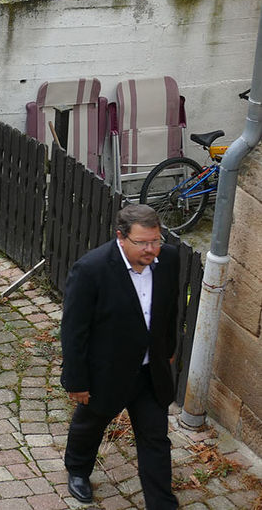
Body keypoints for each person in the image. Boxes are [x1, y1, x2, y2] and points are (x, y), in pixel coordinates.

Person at [61, 204, 180, 508]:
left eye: (156, 241)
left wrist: (166, 350)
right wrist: (76, 380)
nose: (151, 249)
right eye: (142, 242)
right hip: (107, 372)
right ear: (121, 237)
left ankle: (161, 503)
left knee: (155, 439)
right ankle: (77, 470)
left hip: (148, 372)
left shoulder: (169, 260)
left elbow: (168, 310)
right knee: (91, 424)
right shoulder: (91, 269)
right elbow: (75, 331)